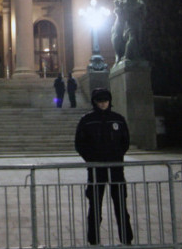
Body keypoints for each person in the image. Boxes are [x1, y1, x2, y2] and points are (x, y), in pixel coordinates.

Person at [75, 88, 133, 246]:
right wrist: (92, 159)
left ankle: (126, 239)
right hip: (96, 170)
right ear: (95, 102)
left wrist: (116, 156)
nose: (103, 104)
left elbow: (125, 141)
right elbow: (80, 144)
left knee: (121, 206)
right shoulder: (87, 120)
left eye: (105, 101)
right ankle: (93, 240)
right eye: (100, 101)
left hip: (116, 169)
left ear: (109, 101)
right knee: (95, 207)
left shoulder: (118, 119)